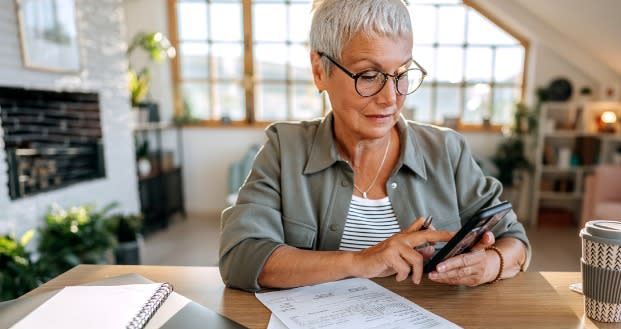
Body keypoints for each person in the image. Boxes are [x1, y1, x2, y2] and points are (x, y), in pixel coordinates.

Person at [219, 0, 530, 292]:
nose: (390, 98)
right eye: (369, 75)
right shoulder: (285, 149)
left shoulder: (447, 150)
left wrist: (490, 264)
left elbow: (514, 240)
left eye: (402, 74)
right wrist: (361, 261)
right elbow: (241, 257)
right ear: (318, 70)